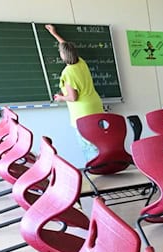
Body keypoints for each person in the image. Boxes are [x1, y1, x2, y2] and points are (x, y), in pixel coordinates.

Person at [45, 24, 104, 162]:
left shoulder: (68, 72)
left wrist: (60, 98)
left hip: (82, 113)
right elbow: (65, 46)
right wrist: (54, 33)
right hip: (96, 107)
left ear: (62, 55)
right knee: (100, 141)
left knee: (88, 146)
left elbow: (73, 97)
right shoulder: (81, 62)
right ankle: (106, 167)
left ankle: (97, 170)